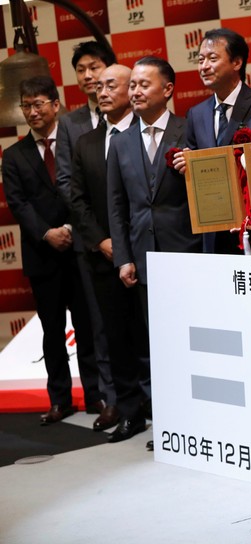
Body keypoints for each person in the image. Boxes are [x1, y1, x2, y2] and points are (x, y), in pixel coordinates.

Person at [107, 57, 203, 443]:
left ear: (167, 89)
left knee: (191, 340)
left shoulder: (189, 130)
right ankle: (167, 422)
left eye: (144, 84)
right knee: (155, 345)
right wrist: (124, 257)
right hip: (143, 258)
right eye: (132, 85)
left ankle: (199, 419)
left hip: (187, 251)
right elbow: (117, 205)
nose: (135, 91)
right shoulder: (121, 140)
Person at [2, 76, 102, 426]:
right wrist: (46, 233)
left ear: (55, 105)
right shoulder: (13, 155)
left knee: (89, 328)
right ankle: (59, 399)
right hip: (42, 254)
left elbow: (86, 190)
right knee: (52, 332)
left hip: (80, 249)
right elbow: (18, 203)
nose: (32, 112)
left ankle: (96, 396)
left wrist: (72, 230)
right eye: (27, 106)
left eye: (39, 104)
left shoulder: (76, 143)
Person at [70, 64, 150, 443]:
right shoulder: (85, 142)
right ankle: (130, 412)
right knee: (116, 339)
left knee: (152, 337)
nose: (102, 92)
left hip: (149, 254)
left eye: (111, 85)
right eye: (98, 86)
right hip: (103, 256)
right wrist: (103, 241)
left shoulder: (147, 132)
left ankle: (162, 409)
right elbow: (76, 199)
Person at [175, 28, 251, 256]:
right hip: (214, 232)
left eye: (212, 59)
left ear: (236, 62)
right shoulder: (196, 114)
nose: (204, 66)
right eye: (200, 60)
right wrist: (185, 165)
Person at [54, 40, 117, 430]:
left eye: (95, 67)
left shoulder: (130, 111)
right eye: (82, 70)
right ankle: (112, 398)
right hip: (90, 240)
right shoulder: (71, 123)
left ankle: (147, 393)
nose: (90, 76)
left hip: (132, 233)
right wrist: (95, 233)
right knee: (100, 322)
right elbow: (66, 182)